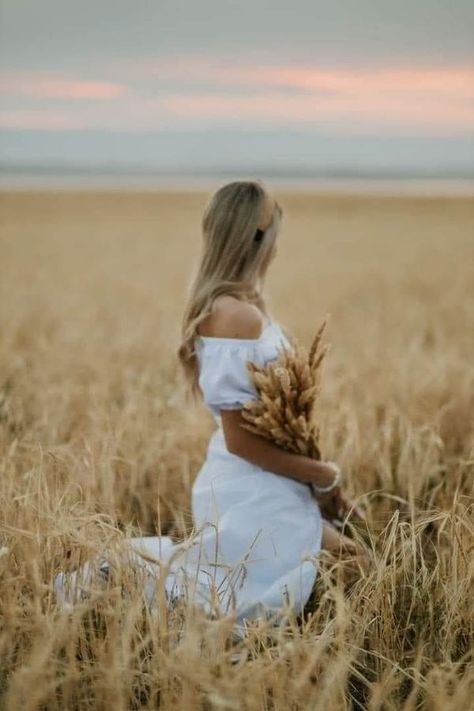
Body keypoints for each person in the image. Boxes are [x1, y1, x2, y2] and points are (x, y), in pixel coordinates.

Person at [54, 180, 369, 636]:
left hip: (270, 479)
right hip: (255, 486)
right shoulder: (235, 315)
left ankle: (134, 583)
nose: (278, 248)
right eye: (275, 237)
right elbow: (242, 439)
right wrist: (324, 474)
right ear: (258, 242)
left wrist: (311, 473)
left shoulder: (242, 306)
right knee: (298, 583)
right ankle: (123, 578)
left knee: (342, 569)